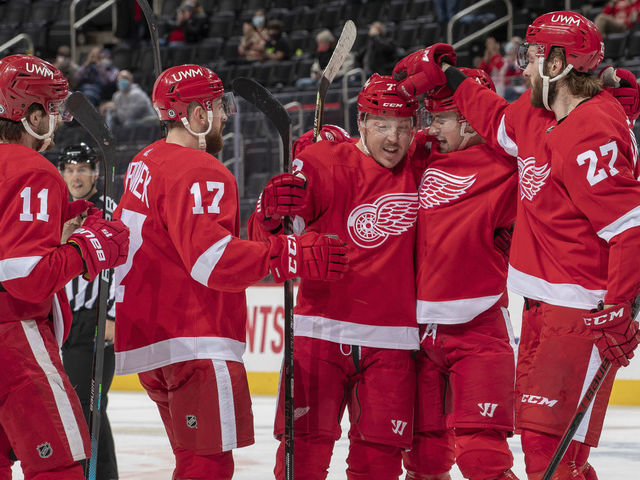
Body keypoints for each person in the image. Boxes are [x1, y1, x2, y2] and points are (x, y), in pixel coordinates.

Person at [393, 11, 640, 479]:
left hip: (580, 308)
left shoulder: (591, 130)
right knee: (541, 444)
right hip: (540, 307)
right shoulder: (538, 112)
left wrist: (621, 303)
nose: (523, 66)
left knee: (551, 452)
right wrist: (448, 74)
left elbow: (629, 226)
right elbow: (496, 118)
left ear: (558, 64)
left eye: (532, 56)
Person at [111, 64, 348, 480]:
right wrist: (290, 253)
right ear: (197, 114)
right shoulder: (200, 169)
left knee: (193, 462)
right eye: (219, 106)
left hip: (153, 341)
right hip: (197, 339)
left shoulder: (144, 160)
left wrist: (267, 218)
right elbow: (213, 261)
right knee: (208, 468)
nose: (226, 115)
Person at [248, 74, 420, 480]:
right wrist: (269, 211)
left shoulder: (423, 161)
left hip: (392, 339)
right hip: (319, 332)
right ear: (361, 122)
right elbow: (269, 244)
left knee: (379, 465)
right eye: (382, 126)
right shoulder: (322, 162)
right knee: (301, 459)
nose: (394, 139)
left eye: (403, 127)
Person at [0, 54, 128, 479]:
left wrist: (62, 223)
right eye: (51, 110)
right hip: (15, 337)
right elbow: (25, 275)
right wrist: (87, 249)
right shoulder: (32, 168)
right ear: (30, 113)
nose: (56, 120)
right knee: (63, 465)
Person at [404, 68, 520, 480]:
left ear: (470, 119)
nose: (430, 128)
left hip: (479, 327)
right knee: (424, 459)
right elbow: (372, 144)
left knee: (482, 459)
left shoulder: (509, 164)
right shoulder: (421, 155)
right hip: (417, 332)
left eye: (439, 118)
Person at [58, 143, 119, 480]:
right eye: (69, 169)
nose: (75, 175)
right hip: (66, 322)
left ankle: (98, 476)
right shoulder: (63, 208)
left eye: (81, 168)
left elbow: (125, 264)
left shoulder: (107, 211)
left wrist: (111, 315)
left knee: (89, 409)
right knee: (78, 410)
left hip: (95, 321)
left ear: (95, 171)